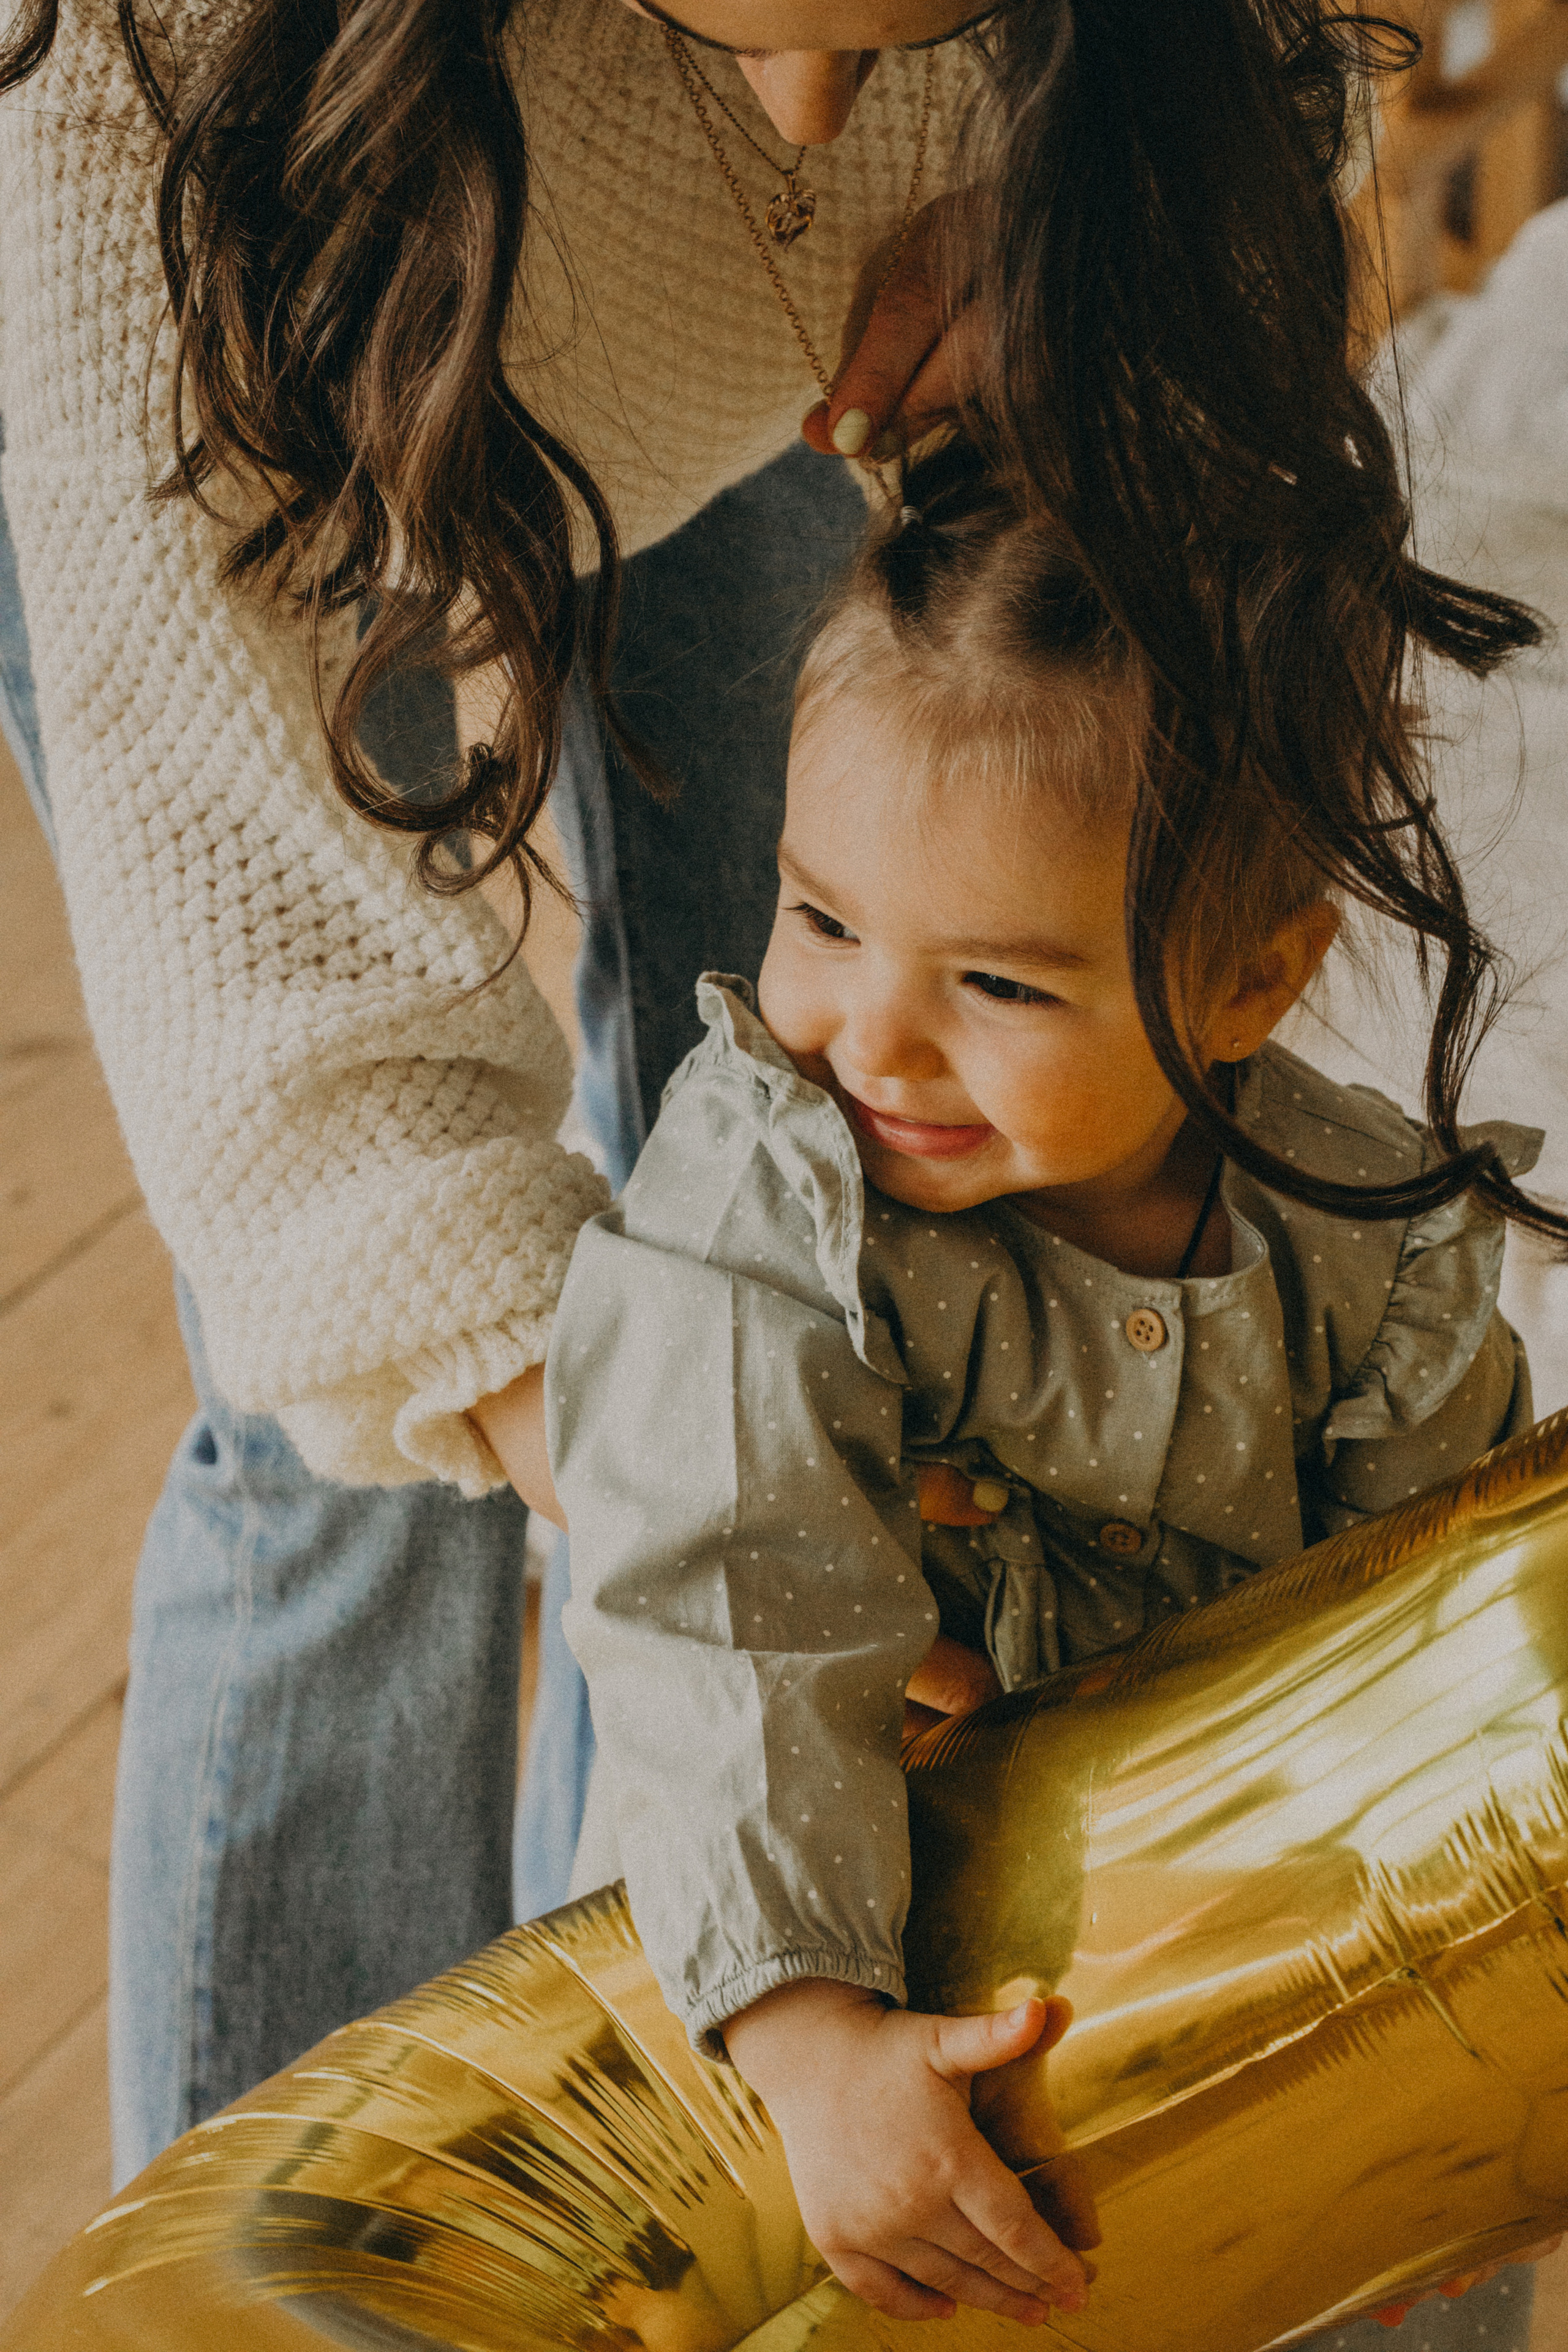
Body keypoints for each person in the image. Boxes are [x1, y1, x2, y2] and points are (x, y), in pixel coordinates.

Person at [0, 10, 1532, 2318]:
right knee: (391, 1447)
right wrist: (646, 1429)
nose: (805, 124)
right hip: (294, 327)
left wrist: (1099, 239)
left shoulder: (1363, 1222)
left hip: (798, 396)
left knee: (918, 849)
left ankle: (643, 2020)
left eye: (901, 22)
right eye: (754, 16)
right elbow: (343, 1134)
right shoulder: (147, 96)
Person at [546, 439, 1564, 2329]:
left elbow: (1445, 1678)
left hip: (1273, 1967)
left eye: (1001, 990)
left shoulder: (1375, 1243)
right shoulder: (774, 1219)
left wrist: (1500, 2083)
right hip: (876, 1983)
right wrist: (811, 2034)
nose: (876, 1037)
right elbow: (721, 1611)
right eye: (823, 920)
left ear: (1249, 988)